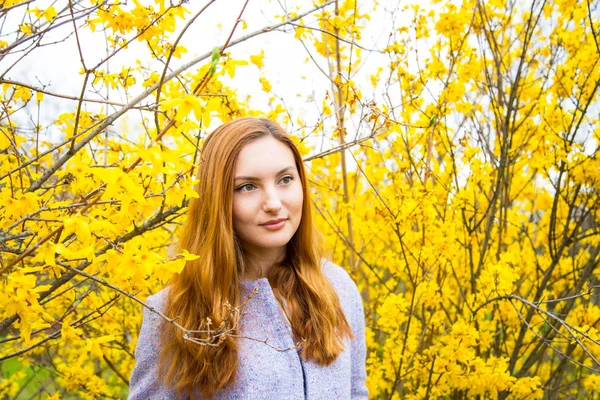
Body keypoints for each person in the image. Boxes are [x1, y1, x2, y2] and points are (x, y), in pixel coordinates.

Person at [128, 117, 368, 399]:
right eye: (247, 187)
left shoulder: (337, 287)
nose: (273, 203)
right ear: (217, 200)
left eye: (285, 180)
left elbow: (355, 392)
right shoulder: (173, 313)